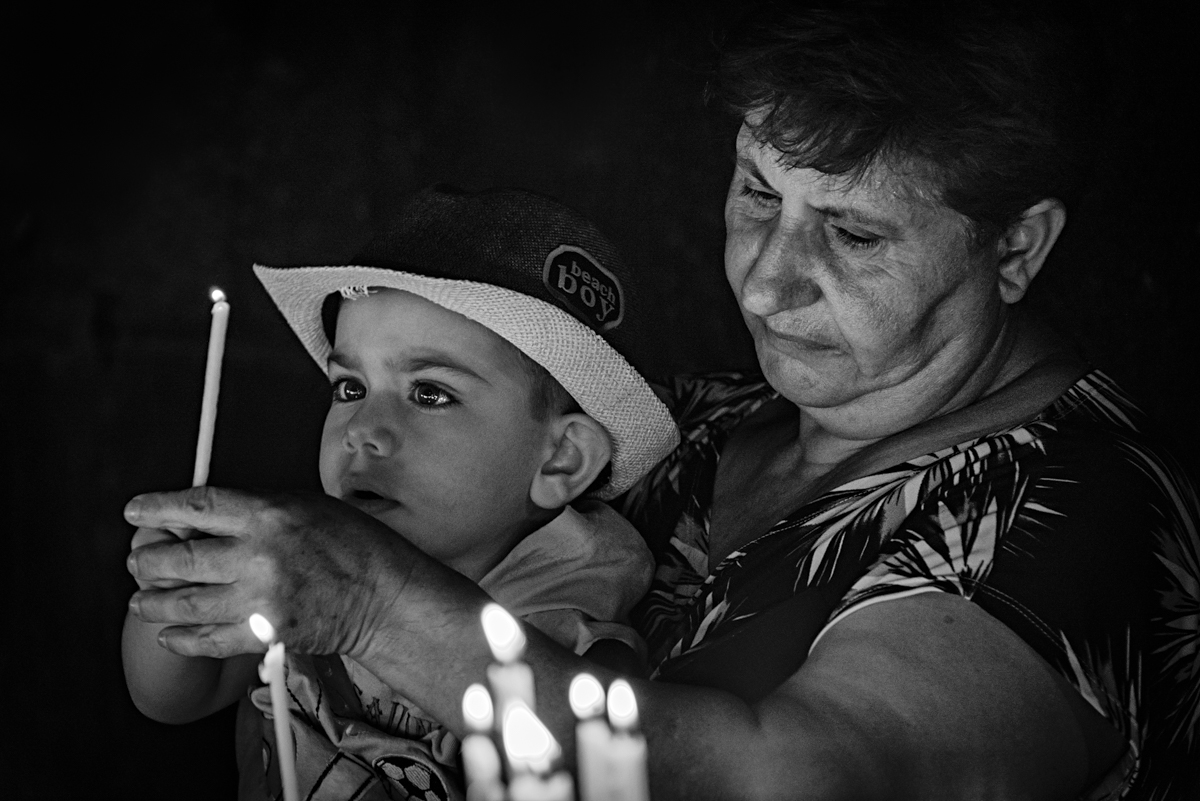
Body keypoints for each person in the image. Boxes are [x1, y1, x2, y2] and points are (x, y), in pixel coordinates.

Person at [123, 2, 1200, 798]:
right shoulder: (688, 423)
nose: (766, 283)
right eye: (757, 194)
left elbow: (801, 782)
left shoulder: (1075, 513)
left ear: (1017, 247)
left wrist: (371, 601)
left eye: (853, 233)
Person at [121, 185, 680, 800]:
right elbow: (175, 698)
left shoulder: (566, 644)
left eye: (429, 394)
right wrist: (174, 589)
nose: (362, 430)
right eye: (350, 388)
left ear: (562, 459)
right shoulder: (299, 558)